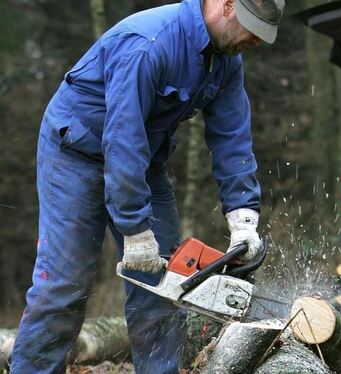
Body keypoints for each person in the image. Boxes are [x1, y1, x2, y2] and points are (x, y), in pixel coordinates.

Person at [11, 0, 283, 371]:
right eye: (252, 28)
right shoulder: (149, 43)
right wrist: (134, 231)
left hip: (142, 160)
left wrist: (243, 217)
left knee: (163, 286)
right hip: (76, 151)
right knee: (63, 287)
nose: (254, 40)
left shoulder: (225, 58)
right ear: (227, 5)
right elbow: (122, 140)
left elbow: (232, 136)